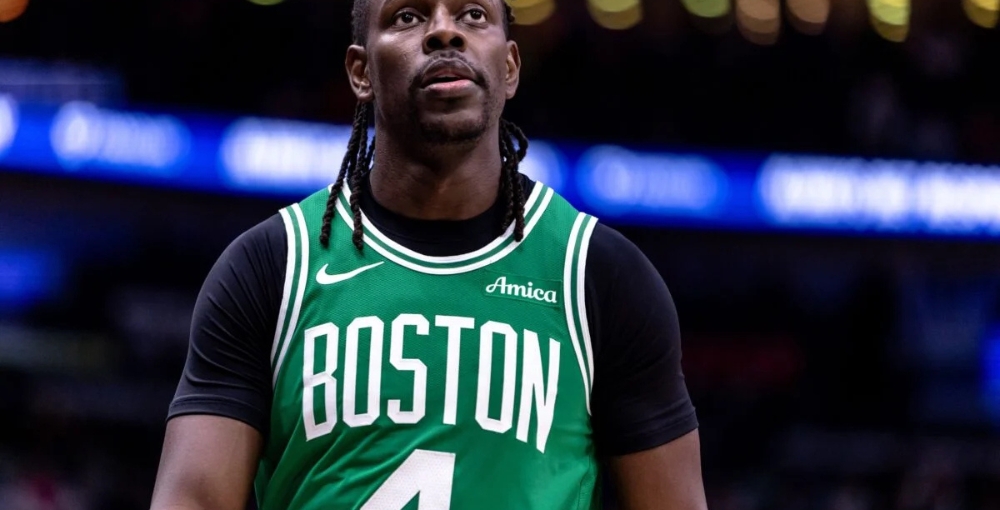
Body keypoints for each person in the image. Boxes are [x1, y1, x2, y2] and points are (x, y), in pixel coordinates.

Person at [149, 1, 707, 508]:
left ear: (510, 67)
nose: (445, 31)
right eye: (408, 17)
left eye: (472, 15)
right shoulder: (270, 267)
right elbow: (192, 498)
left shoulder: (598, 274)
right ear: (360, 72)